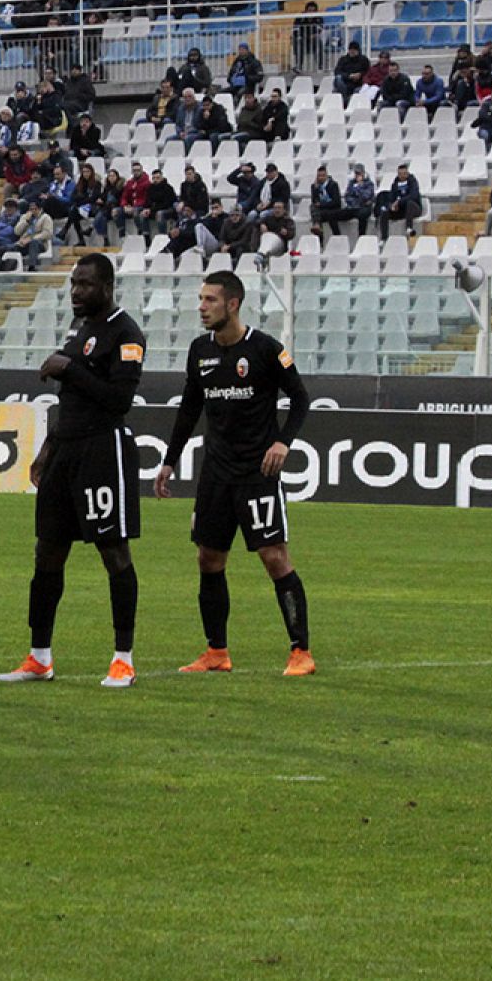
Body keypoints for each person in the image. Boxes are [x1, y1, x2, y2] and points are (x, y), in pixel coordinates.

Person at [155, 271, 315, 677]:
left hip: (256, 473)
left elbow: (300, 398)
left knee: (274, 557)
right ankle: (216, 652)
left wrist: (283, 442)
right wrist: (170, 460)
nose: (201, 307)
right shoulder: (199, 351)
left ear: (233, 304)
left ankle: (301, 652)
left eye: (210, 300)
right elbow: (190, 408)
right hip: (216, 474)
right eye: (200, 299)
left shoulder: (265, 349)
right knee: (208, 559)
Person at [0, 254, 144, 689]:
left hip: (102, 451)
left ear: (106, 287)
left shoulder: (126, 333)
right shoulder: (81, 329)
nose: (76, 291)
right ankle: (39, 657)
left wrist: (70, 368)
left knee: (113, 552)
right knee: (47, 550)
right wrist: (48, 448)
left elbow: (119, 401)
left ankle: (123, 659)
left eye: (85, 284)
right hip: (66, 451)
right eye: (73, 283)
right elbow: (71, 401)